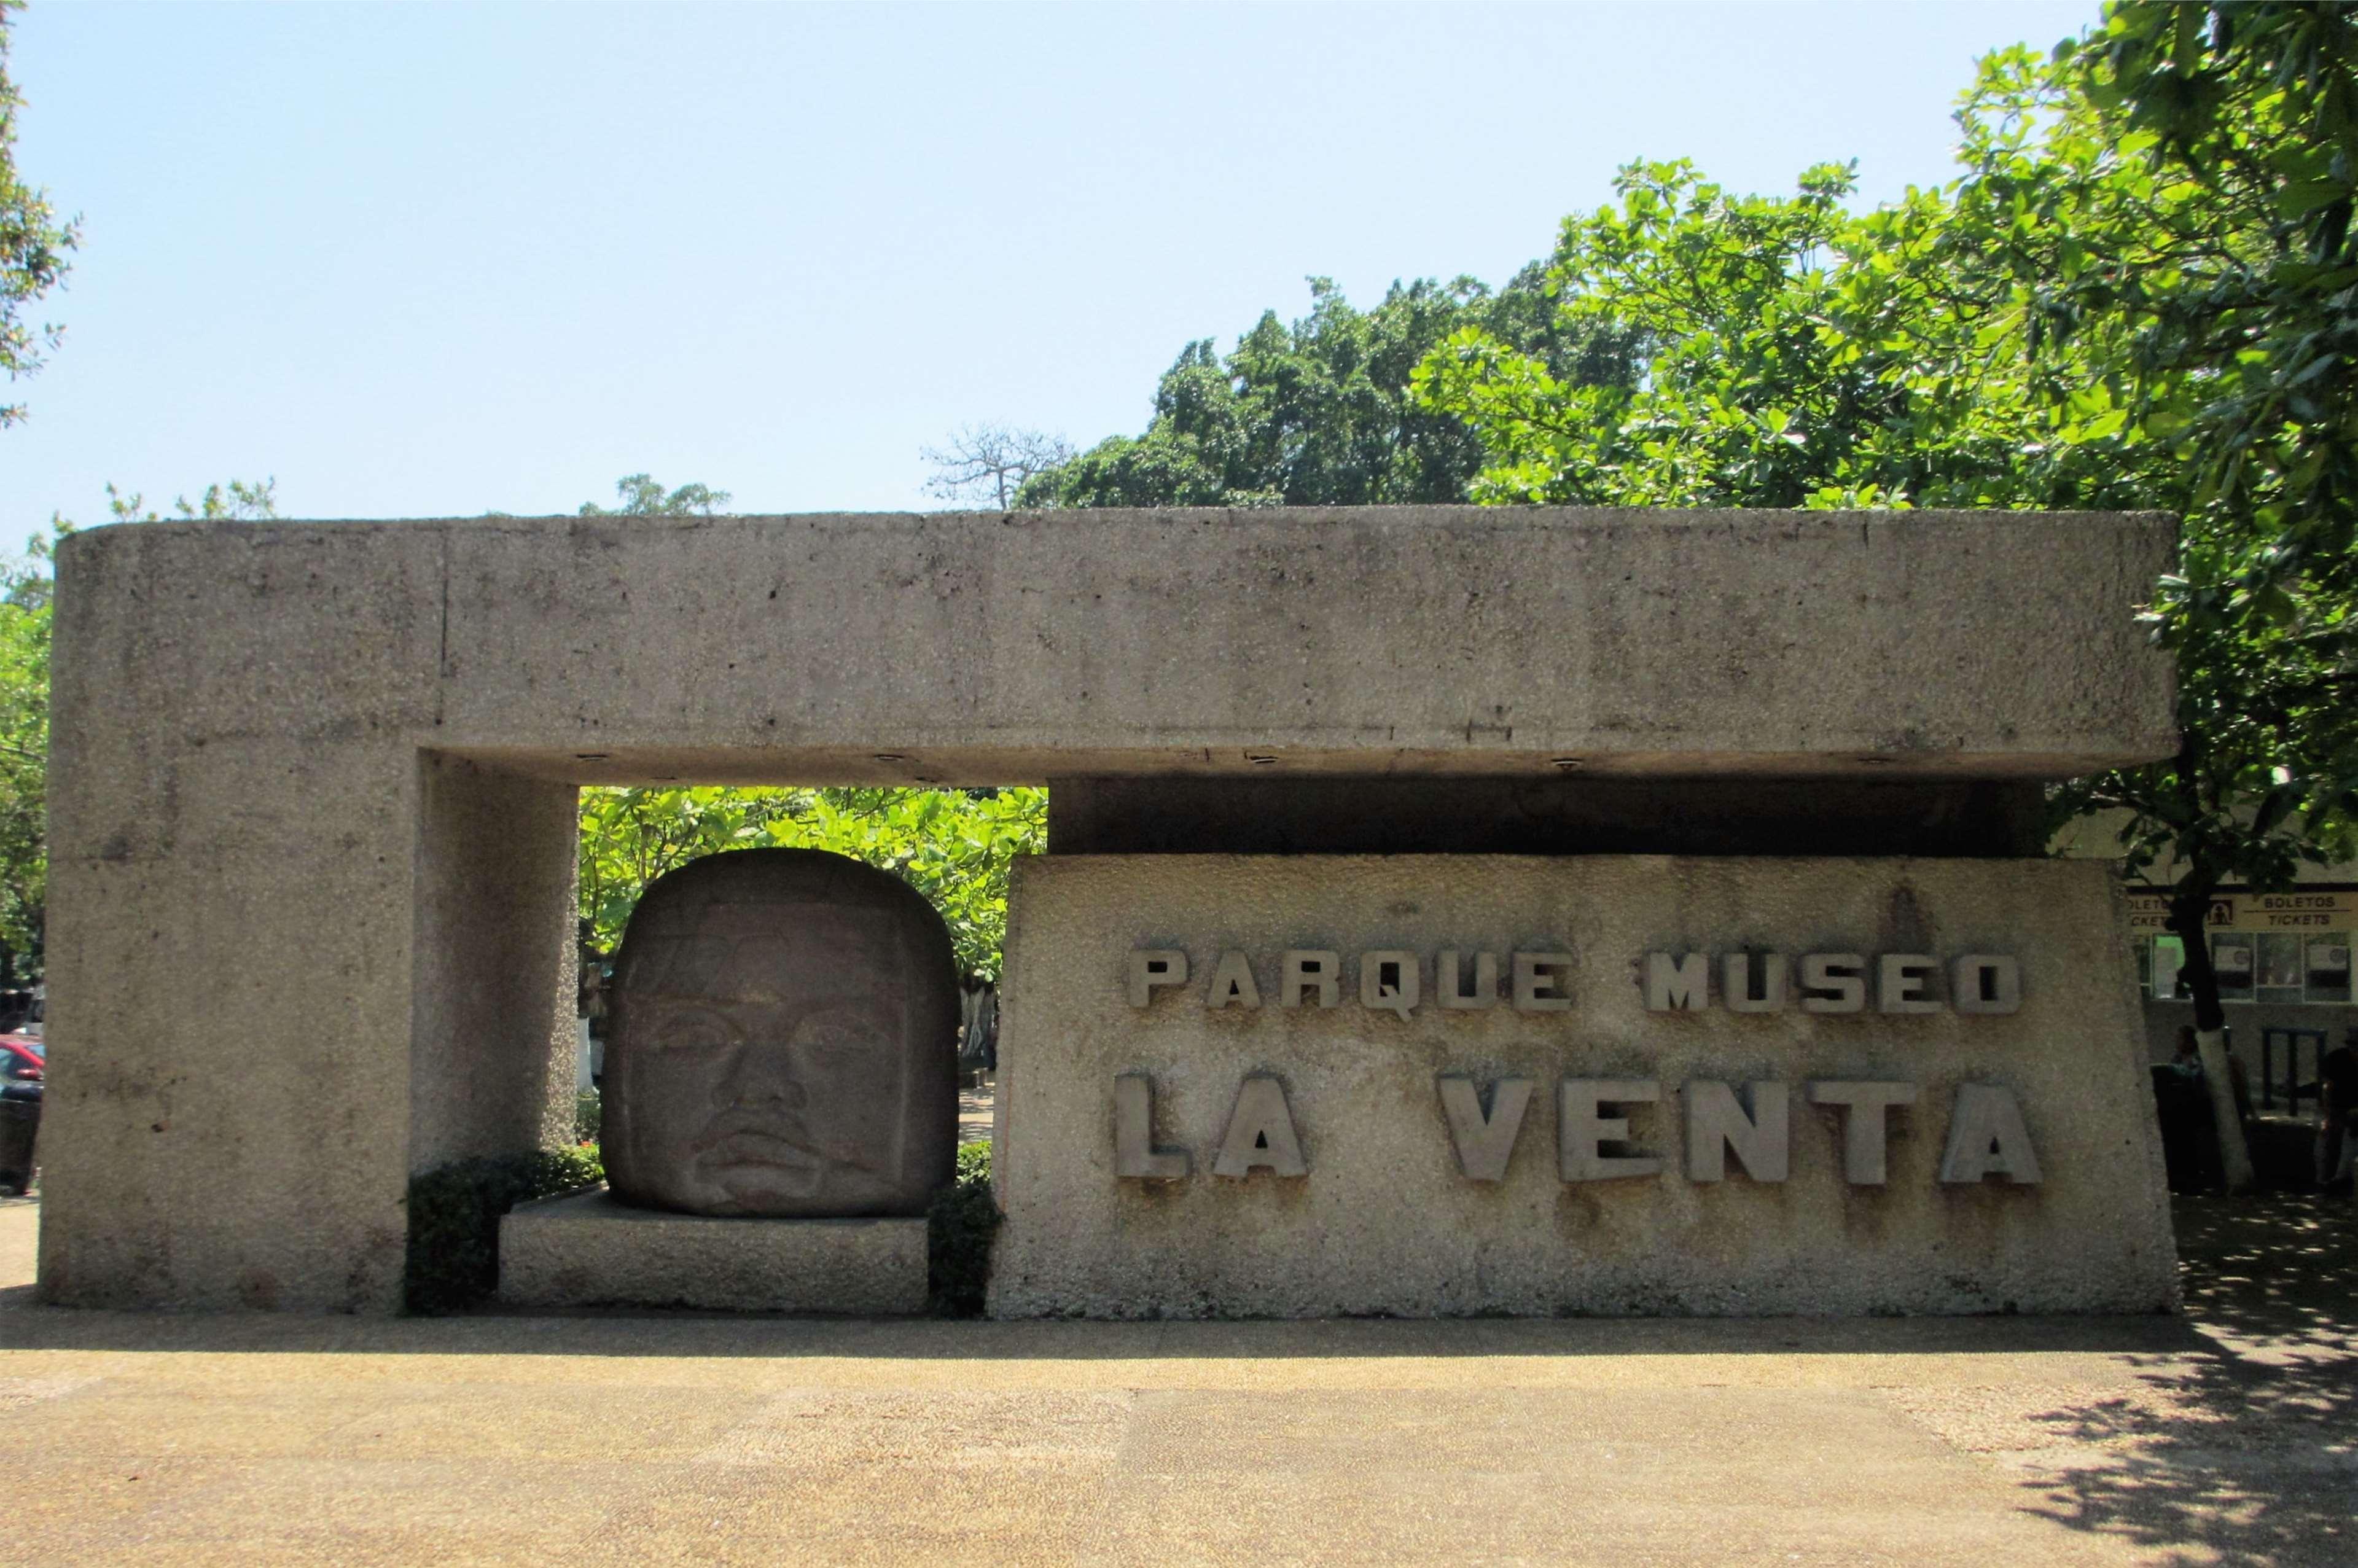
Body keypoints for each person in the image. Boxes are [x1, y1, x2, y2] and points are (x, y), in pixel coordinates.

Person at [2313, 1031, 2357, 1193]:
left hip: (2352, 1114)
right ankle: (2321, 1180)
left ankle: (2340, 1178)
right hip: (2333, 1109)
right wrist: (2327, 1116)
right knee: (2323, 1133)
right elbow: (2326, 1090)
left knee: (2352, 1130)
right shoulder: (2337, 1059)